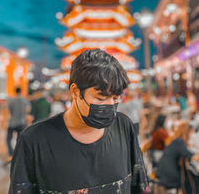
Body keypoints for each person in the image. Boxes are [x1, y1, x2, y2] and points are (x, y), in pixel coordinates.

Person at [9, 49, 149, 194]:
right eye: (100, 98)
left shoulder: (124, 126)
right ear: (75, 92)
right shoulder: (33, 140)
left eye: (115, 98)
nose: (109, 105)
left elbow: (139, 186)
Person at [156, 124, 199, 191]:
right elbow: (192, 157)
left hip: (163, 172)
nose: (192, 136)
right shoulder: (180, 142)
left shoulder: (177, 141)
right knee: (193, 179)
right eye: (191, 133)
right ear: (187, 132)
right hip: (169, 175)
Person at [6, 87, 31, 160]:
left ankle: (11, 154)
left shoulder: (11, 100)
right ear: (21, 91)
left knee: (8, 139)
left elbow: (7, 111)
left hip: (12, 122)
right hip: (22, 123)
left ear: (15, 91)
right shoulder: (25, 100)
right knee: (19, 139)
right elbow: (28, 110)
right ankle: (18, 154)